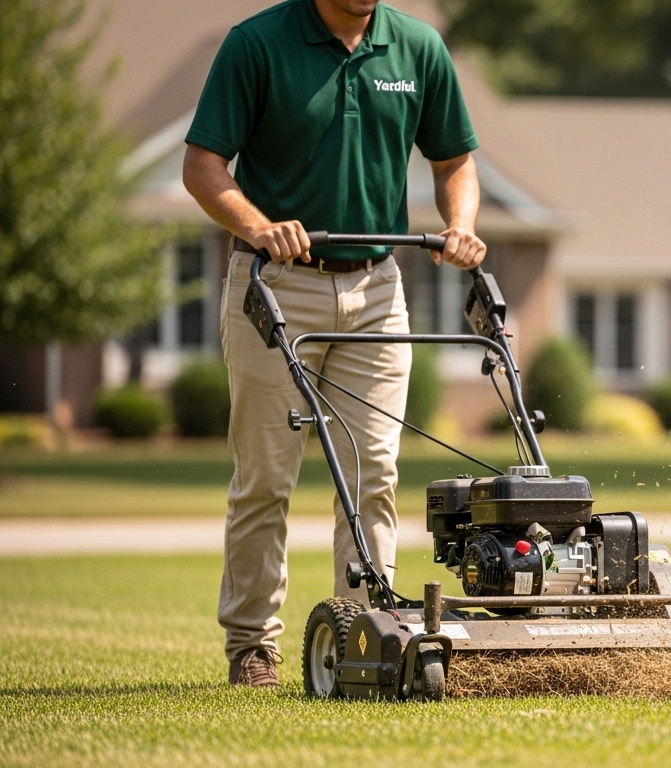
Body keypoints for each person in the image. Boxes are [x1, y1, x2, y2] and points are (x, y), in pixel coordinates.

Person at [182, 0, 486, 687]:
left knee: (372, 472)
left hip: (380, 288)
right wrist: (259, 226)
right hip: (276, 285)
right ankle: (252, 645)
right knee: (265, 475)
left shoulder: (417, 49)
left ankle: (362, 639)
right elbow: (203, 166)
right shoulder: (257, 45)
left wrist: (459, 223)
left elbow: (454, 162)